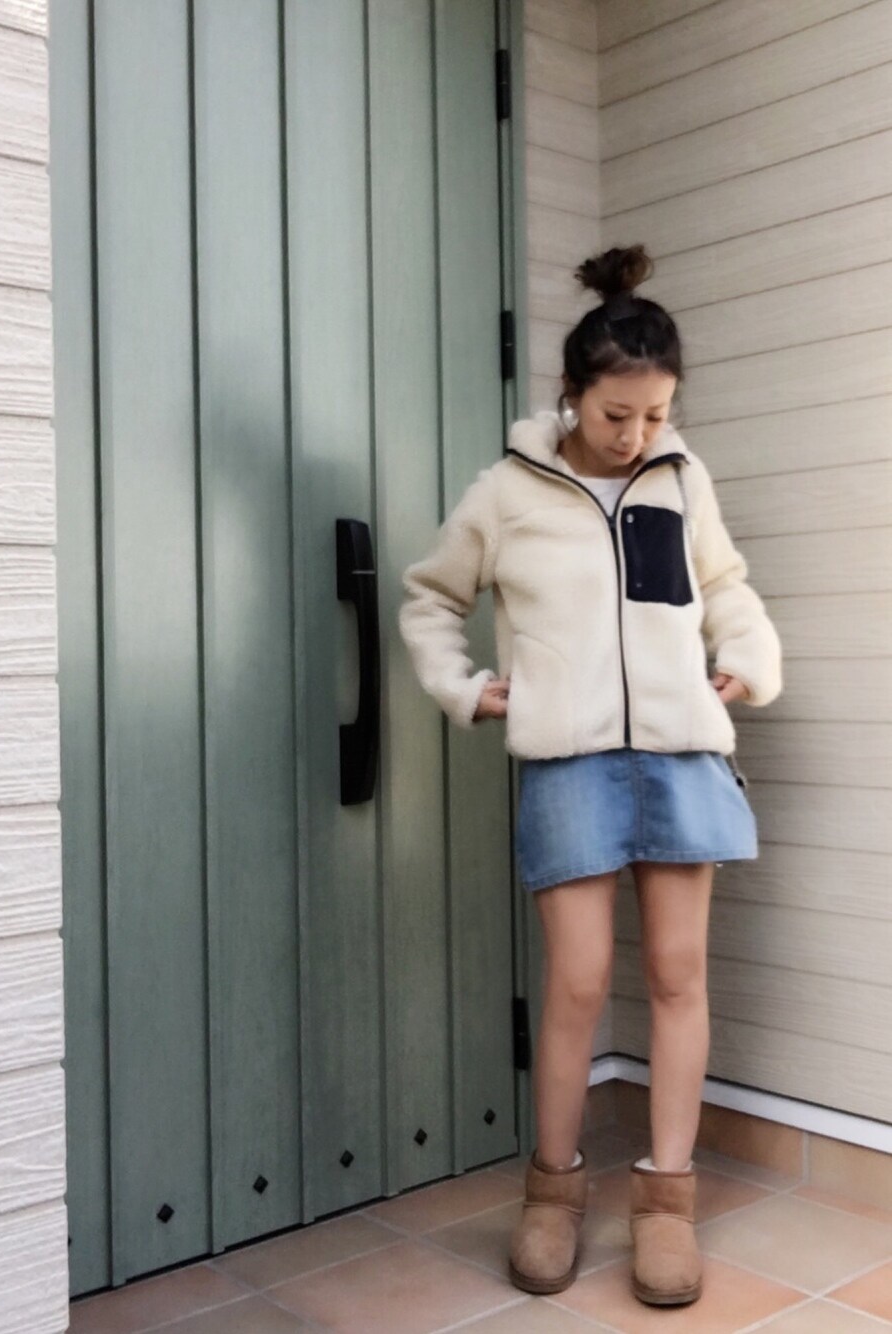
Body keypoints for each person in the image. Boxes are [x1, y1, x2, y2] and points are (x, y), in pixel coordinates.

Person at [397, 244, 783, 1307]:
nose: (636, 434)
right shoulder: (506, 492)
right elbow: (432, 595)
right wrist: (464, 687)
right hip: (569, 762)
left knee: (677, 976)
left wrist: (744, 657)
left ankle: (666, 1202)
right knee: (575, 983)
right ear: (571, 392)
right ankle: (554, 1191)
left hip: (681, 752)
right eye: (618, 413)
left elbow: (724, 584)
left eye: (656, 414)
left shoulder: (680, 478)